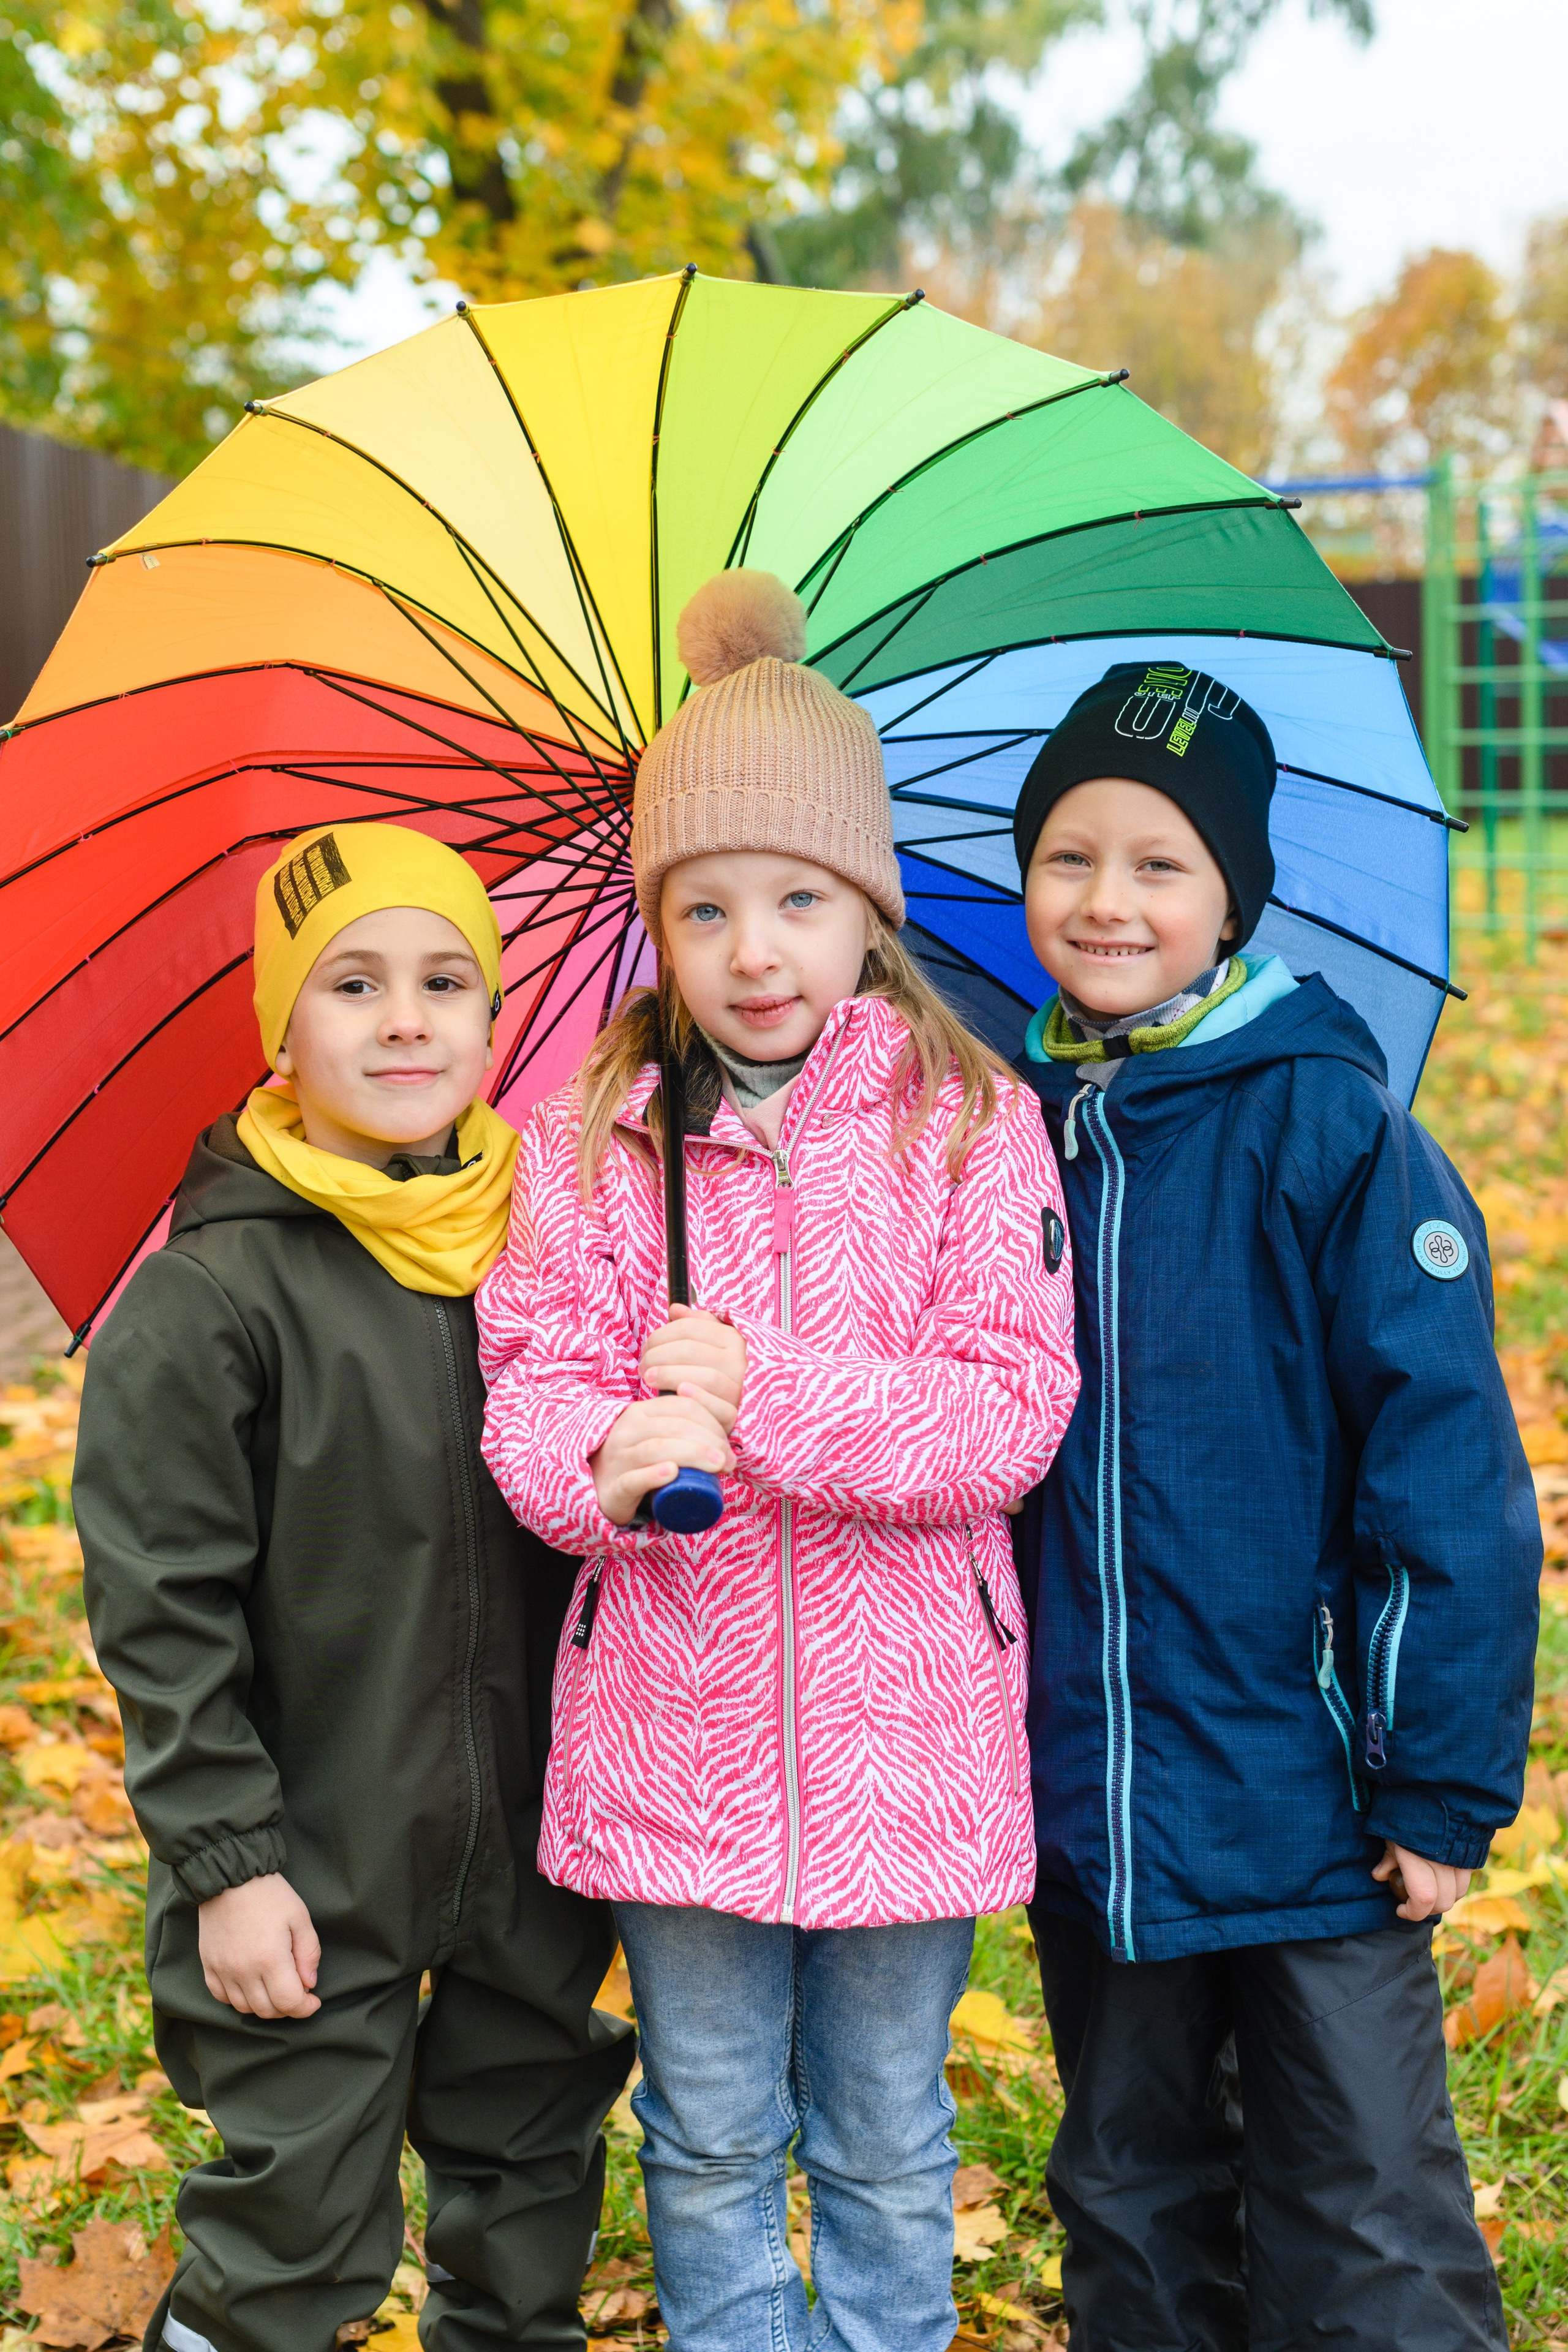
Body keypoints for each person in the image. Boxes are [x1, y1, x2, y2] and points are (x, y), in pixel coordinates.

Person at [476, 570, 1080, 2352]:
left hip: (911, 1739)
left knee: (887, 2131)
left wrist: (767, 1394)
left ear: (865, 912)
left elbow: (1009, 1412)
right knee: (710, 2125)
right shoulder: (586, 1139)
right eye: (708, 907)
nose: (756, 951)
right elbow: (526, 1386)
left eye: (800, 900)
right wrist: (606, 1457)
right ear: (658, 925)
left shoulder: (970, 1125)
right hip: (676, 1731)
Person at [1009, 661, 1540, 2352]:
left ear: (1232, 897)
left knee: (1361, 2200)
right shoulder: (1006, 1135)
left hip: (1307, 1796)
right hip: (1098, 1799)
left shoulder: (1327, 1128)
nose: (1107, 900)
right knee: (1131, 2188)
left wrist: (1437, 1781)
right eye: (1069, 856)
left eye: (1158, 864)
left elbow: (1446, 1473)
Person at [74, 822, 633, 2352]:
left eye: (445, 982)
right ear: (282, 1026)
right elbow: (163, 1616)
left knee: (528, 2200)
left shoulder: (559, 1247)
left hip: (534, 1845)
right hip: (309, 1858)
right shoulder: (212, 1296)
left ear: (495, 1017)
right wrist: (228, 1862)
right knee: (294, 2231)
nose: (404, 1020)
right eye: (353, 983)